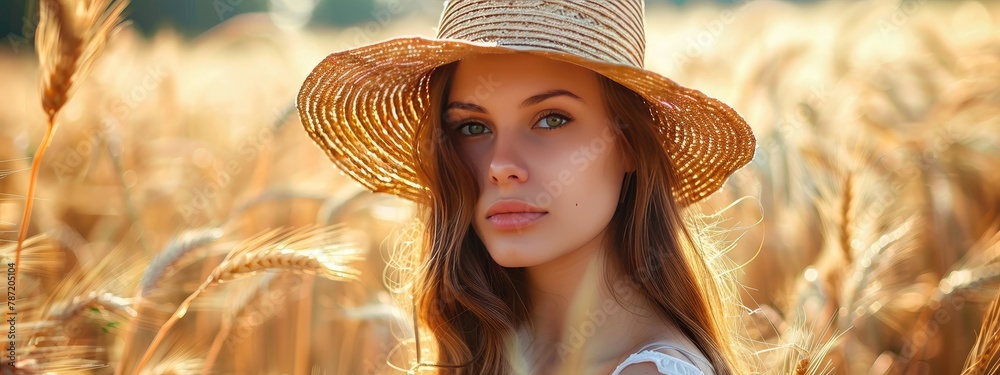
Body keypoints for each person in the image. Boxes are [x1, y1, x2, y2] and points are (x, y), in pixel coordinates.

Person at [296, 1, 757, 374]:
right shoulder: (481, 355)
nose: (501, 166)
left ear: (631, 144)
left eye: (551, 119)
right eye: (473, 127)